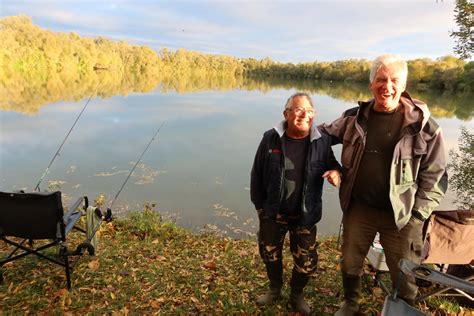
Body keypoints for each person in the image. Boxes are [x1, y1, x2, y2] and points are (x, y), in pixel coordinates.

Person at [320, 54, 448, 315]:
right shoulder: (354, 117)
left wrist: (417, 214)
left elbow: (436, 175)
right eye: (380, 79)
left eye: (393, 80)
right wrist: (330, 165)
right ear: (371, 85)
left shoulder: (425, 126)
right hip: (360, 208)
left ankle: (404, 307)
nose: (386, 86)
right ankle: (350, 303)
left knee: (404, 268)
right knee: (350, 261)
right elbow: (320, 135)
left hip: (402, 215)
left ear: (403, 86)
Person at [250, 92, 342, 314]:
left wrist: (337, 172)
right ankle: (274, 289)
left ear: (314, 115)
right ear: (286, 114)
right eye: (298, 109)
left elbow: (335, 165)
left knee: (306, 261)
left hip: (305, 214)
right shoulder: (270, 138)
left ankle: (296, 295)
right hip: (273, 212)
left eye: (309, 111)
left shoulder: (321, 141)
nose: (304, 115)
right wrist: (260, 208)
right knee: (270, 253)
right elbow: (256, 174)